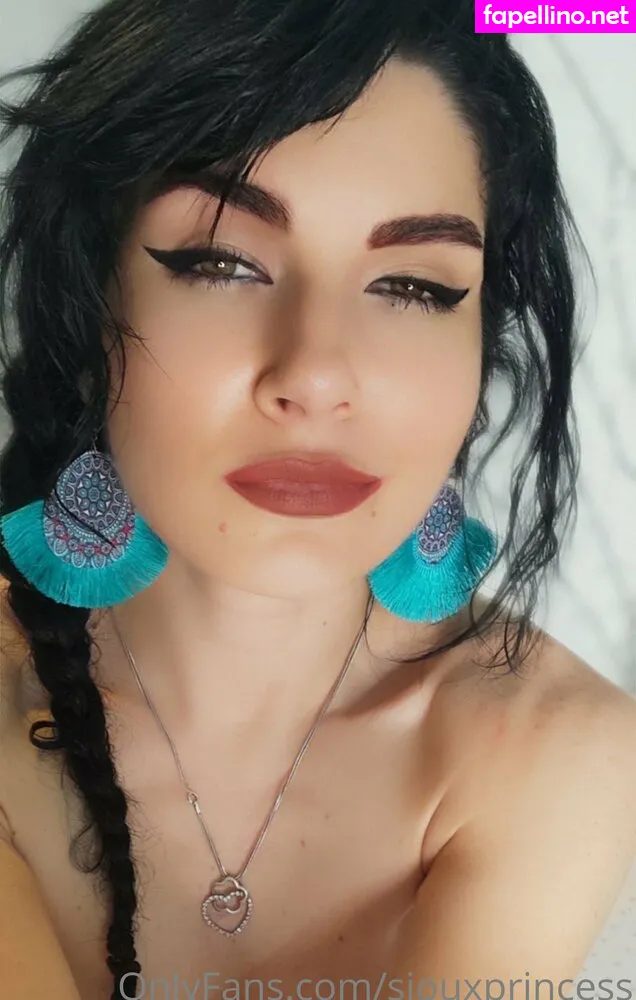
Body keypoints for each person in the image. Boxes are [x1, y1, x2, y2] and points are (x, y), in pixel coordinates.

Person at [0, 2, 634, 999]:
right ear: (88, 304)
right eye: (222, 261)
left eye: (414, 286)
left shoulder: (556, 745)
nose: (318, 376)